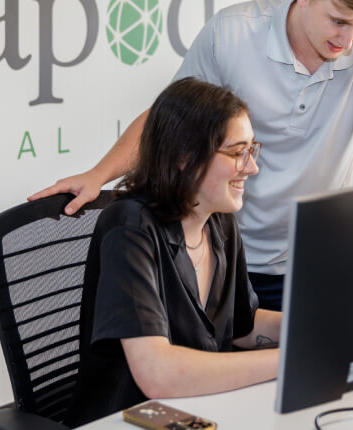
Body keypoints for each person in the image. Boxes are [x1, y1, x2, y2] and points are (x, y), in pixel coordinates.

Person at [32, 0, 353, 310]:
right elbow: (169, 123)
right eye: (338, 21)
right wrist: (99, 175)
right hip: (223, 254)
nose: (349, 40)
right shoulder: (233, 34)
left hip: (315, 262)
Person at [64, 78, 281, 427]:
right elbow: (157, 373)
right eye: (237, 152)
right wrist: (289, 360)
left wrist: (315, 330)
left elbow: (242, 326)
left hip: (202, 408)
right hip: (127, 418)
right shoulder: (129, 228)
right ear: (184, 156)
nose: (251, 167)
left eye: (251, 149)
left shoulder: (219, 220)